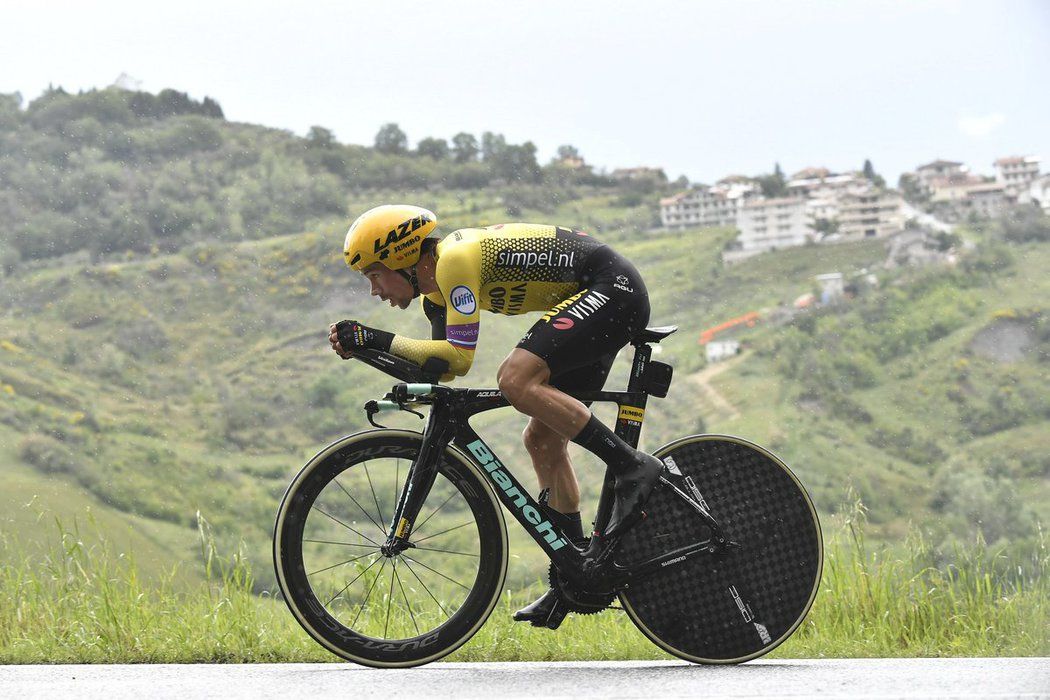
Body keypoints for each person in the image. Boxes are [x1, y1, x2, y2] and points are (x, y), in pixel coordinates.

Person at [328, 204, 663, 627]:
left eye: (374, 275)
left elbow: (460, 357)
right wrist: (366, 349)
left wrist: (376, 335)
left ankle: (631, 466)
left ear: (401, 258)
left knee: (515, 378)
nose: (374, 290)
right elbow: (442, 368)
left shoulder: (454, 261)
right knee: (541, 440)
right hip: (589, 300)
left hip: (612, 289)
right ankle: (575, 574)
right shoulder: (436, 297)